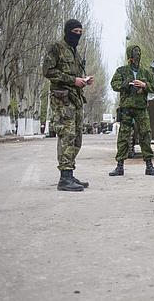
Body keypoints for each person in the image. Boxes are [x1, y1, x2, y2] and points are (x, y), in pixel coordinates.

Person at [42, 19, 94, 191]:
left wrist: (84, 81)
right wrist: (73, 80)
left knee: (77, 138)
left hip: (75, 99)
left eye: (80, 32)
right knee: (67, 135)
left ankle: (70, 174)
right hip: (62, 100)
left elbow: (76, 76)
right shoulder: (56, 48)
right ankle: (64, 178)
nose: (77, 35)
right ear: (67, 31)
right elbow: (48, 71)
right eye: (75, 32)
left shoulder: (74, 52)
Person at [108, 45, 154, 176]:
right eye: (134, 54)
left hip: (141, 108)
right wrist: (125, 84)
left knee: (145, 135)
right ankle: (119, 166)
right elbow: (114, 84)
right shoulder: (121, 71)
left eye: (138, 54)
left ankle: (149, 166)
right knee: (123, 137)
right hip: (126, 109)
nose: (136, 57)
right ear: (129, 57)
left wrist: (144, 85)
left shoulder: (145, 73)